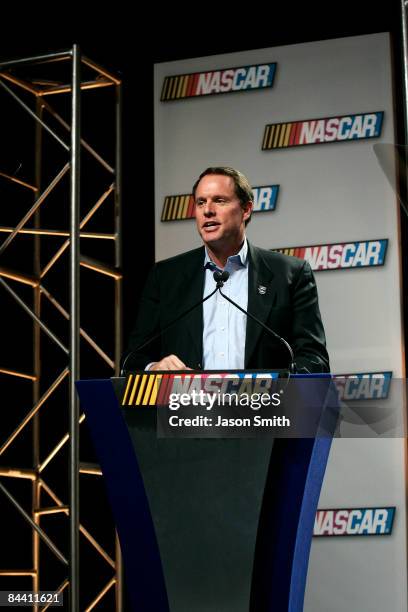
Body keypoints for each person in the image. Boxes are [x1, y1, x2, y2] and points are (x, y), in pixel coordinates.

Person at [123, 167, 329, 373]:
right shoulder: (166, 277)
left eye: (219, 200)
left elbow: (314, 359)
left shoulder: (290, 274)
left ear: (246, 209)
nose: (207, 210)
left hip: (266, 403)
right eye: (201, 202)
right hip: (189, 404)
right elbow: (132, 360)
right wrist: (154, 368)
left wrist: (279, 388)